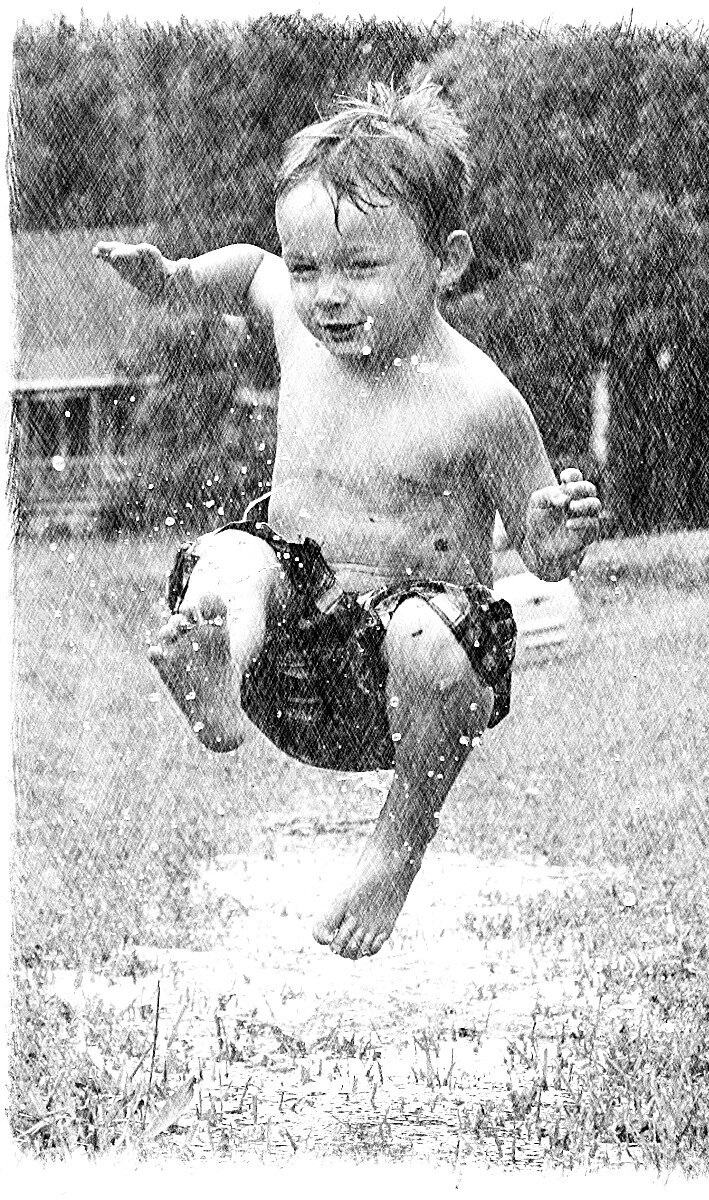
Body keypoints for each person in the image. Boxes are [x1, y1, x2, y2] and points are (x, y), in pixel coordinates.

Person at [93, 80, 601, 961]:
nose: (324, 295)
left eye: (359, 268)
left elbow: (539, 551)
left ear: (446, 261)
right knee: (234, 557)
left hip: (405, 693)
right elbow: (252, 269)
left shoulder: (480, 401)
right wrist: (176, 282)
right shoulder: (299, 331)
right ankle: (219, 679)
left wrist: (554, 541)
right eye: (308, 269)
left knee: (428, 634)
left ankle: (395, 848)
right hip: (289, 668)